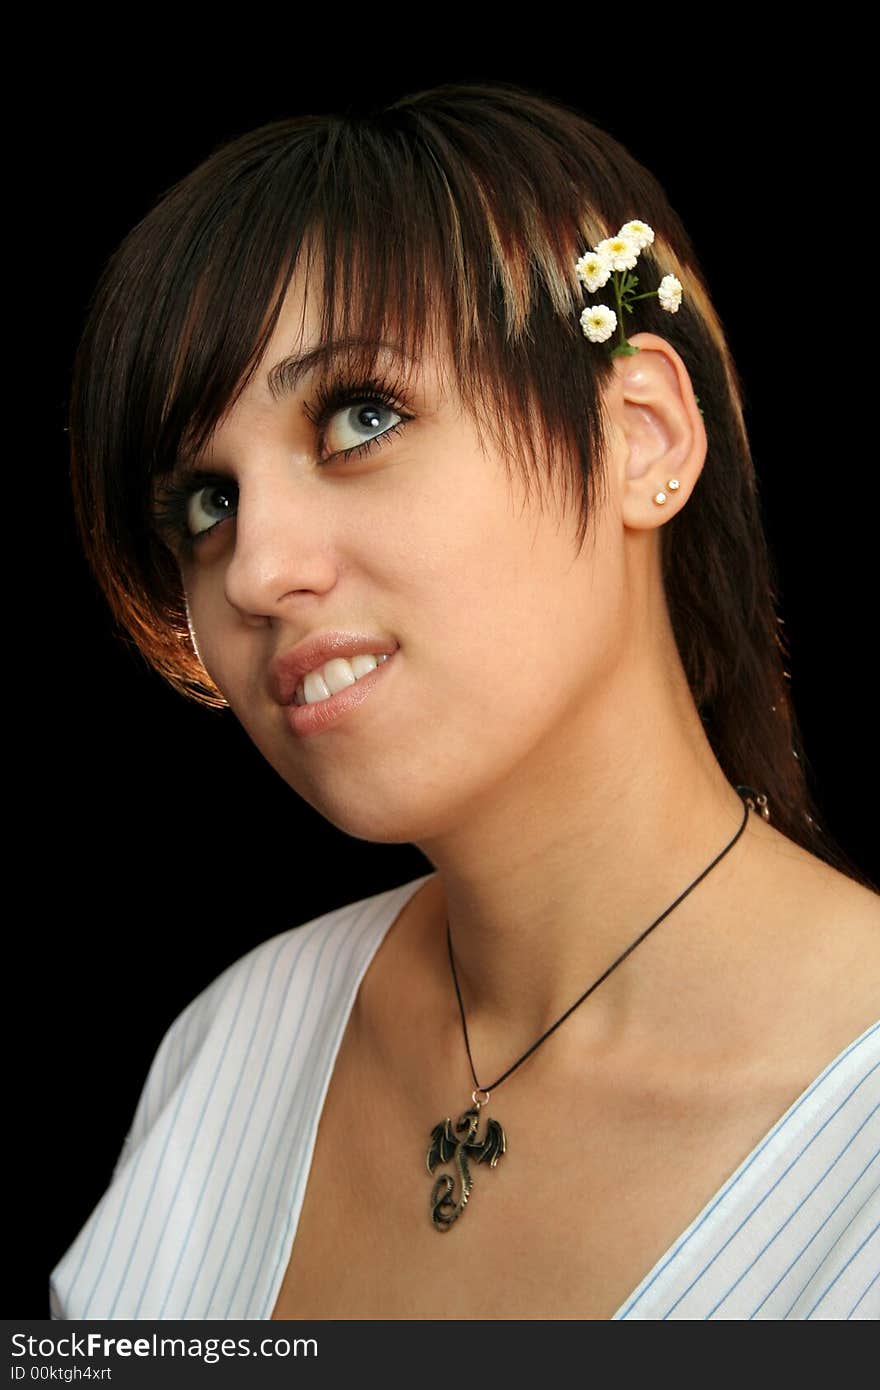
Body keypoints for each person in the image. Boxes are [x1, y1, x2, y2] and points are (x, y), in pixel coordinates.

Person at [51, 80, 878, 1321]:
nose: (260, 570)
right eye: (205, 504)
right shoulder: (238, 1039)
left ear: (640, 437)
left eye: (361, 416)